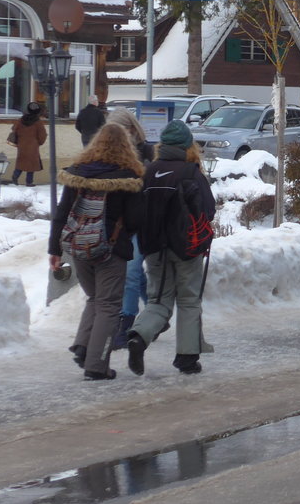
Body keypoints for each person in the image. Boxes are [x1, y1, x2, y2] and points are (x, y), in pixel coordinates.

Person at [46, 123, 145, 381]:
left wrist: (54, 249)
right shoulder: (128, 177)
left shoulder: (78, 173)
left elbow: (62, 212)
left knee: (94, 298)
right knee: (110, 305)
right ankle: (97, 365)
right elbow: (136, 220)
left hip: (79, 247)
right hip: (110, 250)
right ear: (126, 146)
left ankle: (83, 347)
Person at [127, 120, 216, 376]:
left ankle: (138, 336)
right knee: (188, 300)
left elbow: (135, 212)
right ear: (189, 146)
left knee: (158, 300)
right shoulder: (191, 173)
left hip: (154, 248)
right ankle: (187, 359)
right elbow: (208, 210)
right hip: (188, 247)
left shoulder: (148, 172)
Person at [104, 109, 155, 349]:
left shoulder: (147, 153)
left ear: (133, 130)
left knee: (132, 272)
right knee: (135, 275)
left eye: (122, 131)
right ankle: (157, 312)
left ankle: (126, 327)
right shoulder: (108, 154)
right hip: (118, 224)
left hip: (141, 221)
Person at [10, 102, 47, 186]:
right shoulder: (38, 122)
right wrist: (40, 142)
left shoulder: (21, 120)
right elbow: (42, 134)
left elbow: (14, 129)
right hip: (33, 145)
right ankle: (29, 182)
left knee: (21, 162)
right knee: (31, 164)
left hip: (21, 145)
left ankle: (15, 177)